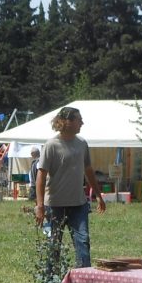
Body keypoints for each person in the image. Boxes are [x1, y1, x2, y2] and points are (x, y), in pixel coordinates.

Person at [34, 106, 106, 268]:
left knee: (83, 243)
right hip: (54, 205)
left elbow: (88, 171)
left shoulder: (82, 144)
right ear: (68, 122)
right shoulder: (51, 145)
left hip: (78, 205)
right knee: (53, 247)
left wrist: (98, 195)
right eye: (79, 120)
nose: (82, 123)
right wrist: (39, 205)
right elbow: (41, 175)